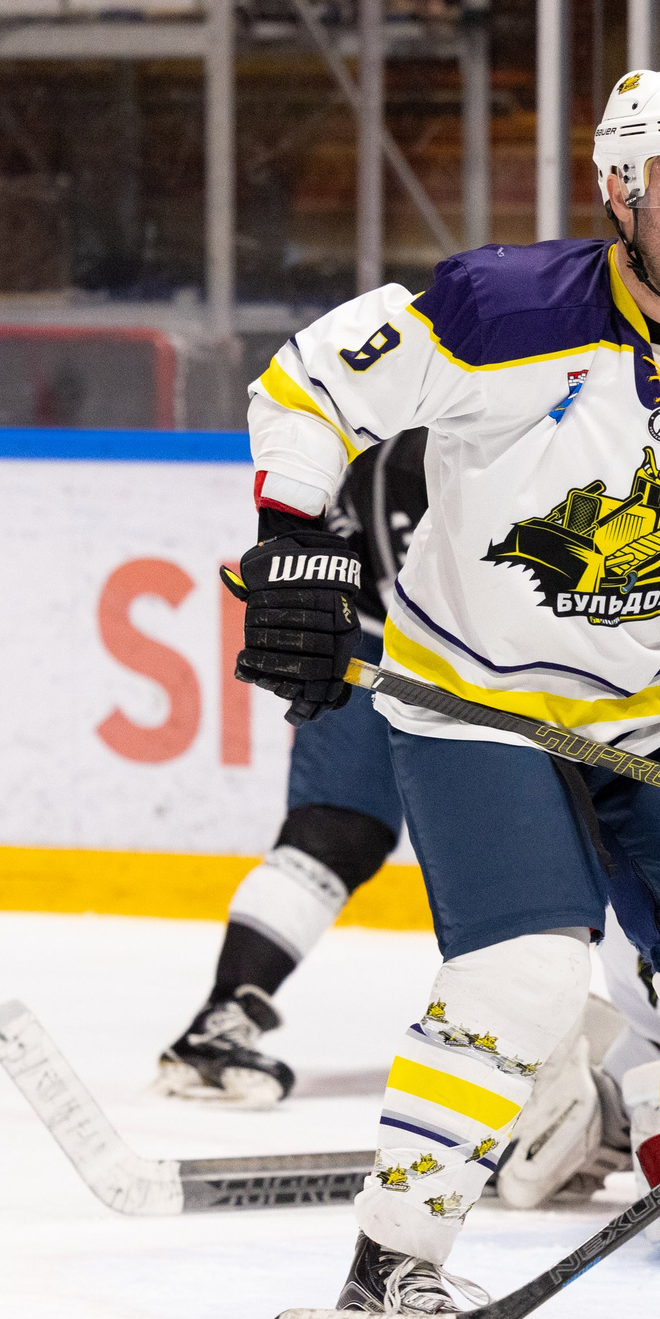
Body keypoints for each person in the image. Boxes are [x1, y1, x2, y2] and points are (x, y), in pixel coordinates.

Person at [229, 67, 660, 1319]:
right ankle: (391, 1270)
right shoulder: (496, 310)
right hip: (474, 705)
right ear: (620, 195)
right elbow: (304, 390)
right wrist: (297, 536)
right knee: (527, 977)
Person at [158, 431, 427, 1107]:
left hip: (394, 627)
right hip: (381, 630)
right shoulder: (423, 426)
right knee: (338, 832)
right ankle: (222, 1019)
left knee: (339, 832)